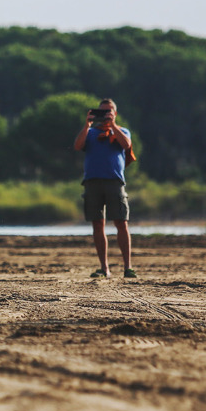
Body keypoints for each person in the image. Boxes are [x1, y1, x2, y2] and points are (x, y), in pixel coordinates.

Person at [74, 98, 135, 278]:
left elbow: (126, 145)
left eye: (108, 111)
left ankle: (127, 268)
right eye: (102, 112)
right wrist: (87, 125)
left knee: (121, 223)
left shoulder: (122, 131)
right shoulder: (91, 133)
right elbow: (78, 146)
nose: (105, 115)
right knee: (97, 224)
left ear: (115, 113)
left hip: (114, 182)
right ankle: (104, 268)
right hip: (92, 182)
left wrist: (113, 125)